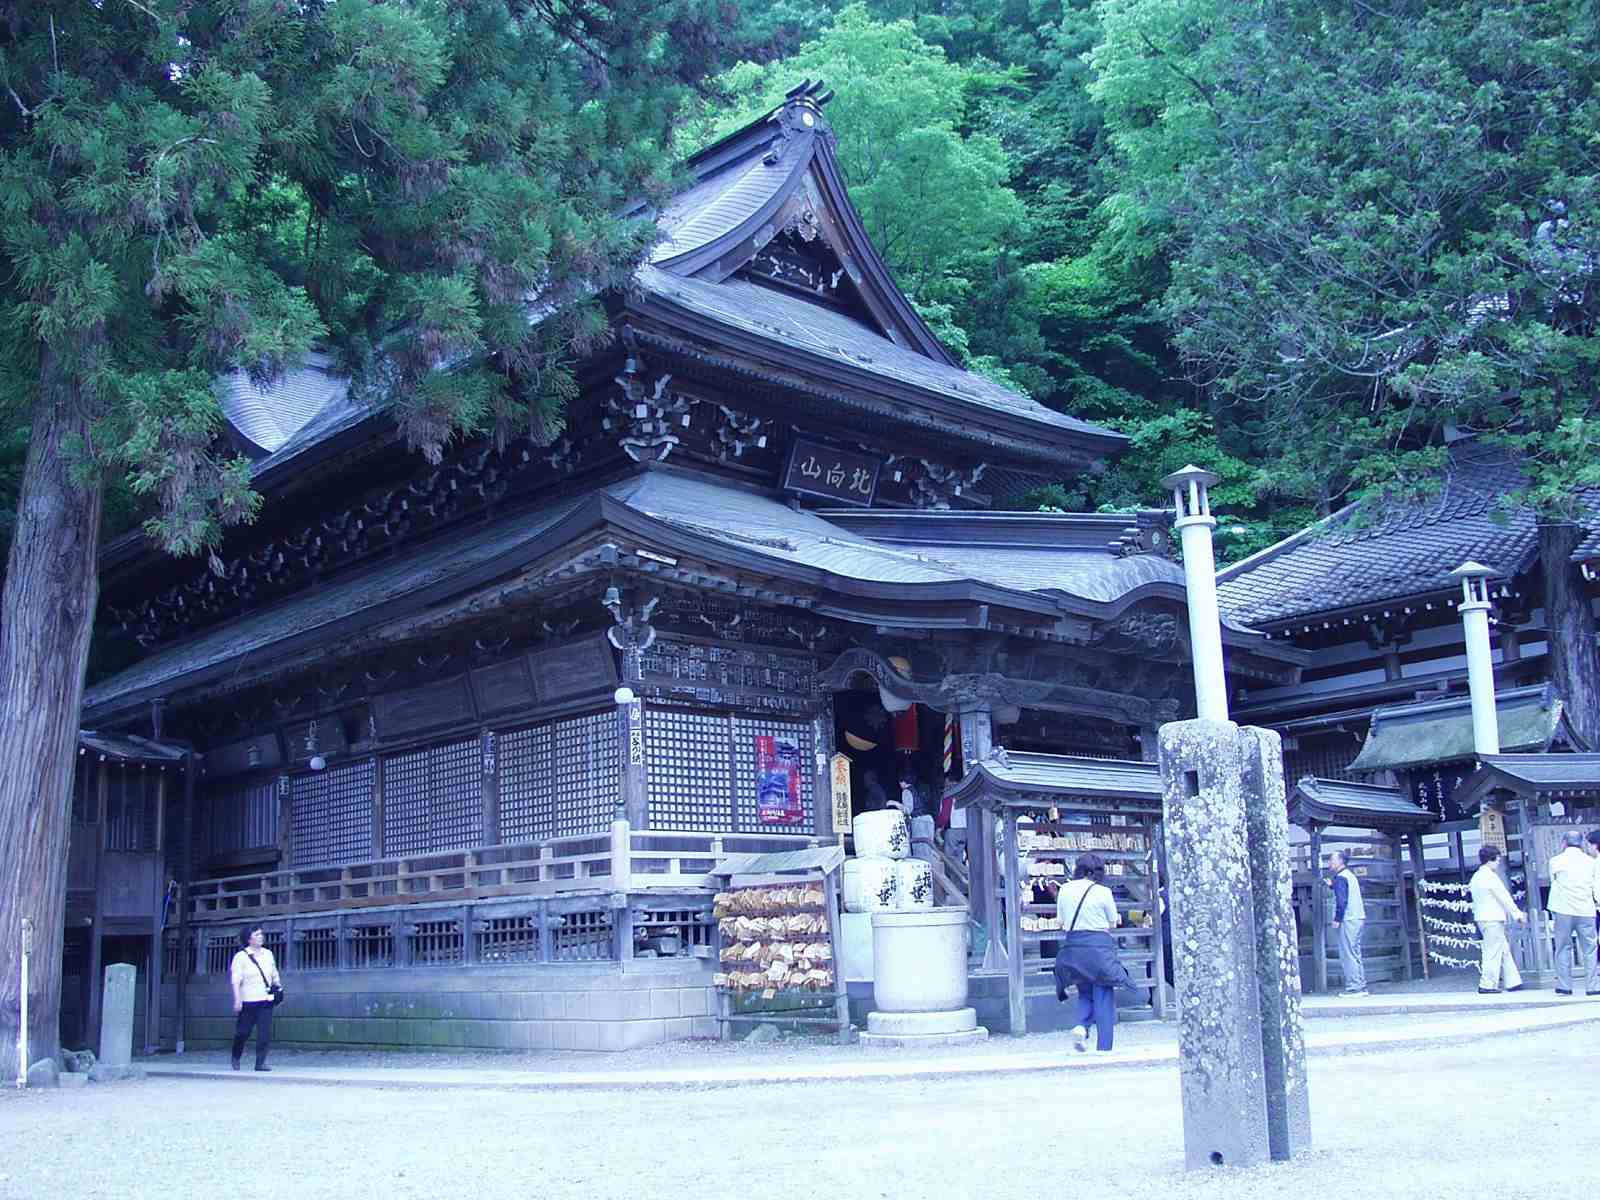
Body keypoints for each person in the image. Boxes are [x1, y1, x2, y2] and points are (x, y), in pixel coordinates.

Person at [1052, 852, 1131, 1053]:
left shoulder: (1065, 889)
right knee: (1103, 993)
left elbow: (1061, 921)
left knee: (1085, 991)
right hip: (1099, 947)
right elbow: (1112, 921)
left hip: (1074, 947)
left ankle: (1082, 1026)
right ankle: (1104, 1046)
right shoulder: (1103, 891)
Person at [1548, 830, 1599, 996]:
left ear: (1564, 843)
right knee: (1590, 948)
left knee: (1563, 947)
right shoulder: (1591, 862)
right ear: (1581, 843)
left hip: (1563, 909)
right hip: (1586, 909)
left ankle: (1564, 985)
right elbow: (1596, 887)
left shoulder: (1555, 861)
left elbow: (1553, 882)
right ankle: (1592, 986)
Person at [1468, 845, 1526, 994]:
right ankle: (1487, 984)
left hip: (1483, 917)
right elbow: (1504, 897)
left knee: (1502, 949)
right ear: (1490, 860)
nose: (1498, 862)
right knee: (1493, 951)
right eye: (1497, 860)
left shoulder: (1476, 877)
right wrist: (1517, 914)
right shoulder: (1490, 877)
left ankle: (1513, 981)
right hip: (1492, 917)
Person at [230, 925, 281, 1071]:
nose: (261, 937)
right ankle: (236, 1055)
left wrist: (278, 986)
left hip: (265, 1000)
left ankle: (260, 1062)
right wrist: (237, 999)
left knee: (264, 1033)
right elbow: (236, 980)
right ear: (249, 939)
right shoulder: (240, 957)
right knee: (243, 1032)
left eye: (261, 934)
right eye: (257, 934)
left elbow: (274, 973)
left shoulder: (268, 954)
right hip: (248, 1001)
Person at [1329, 851, 1368, 996]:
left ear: (1340, 861)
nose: (1329, 863)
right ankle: (1360, 984)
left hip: (1348, 919)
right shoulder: (1349, 876)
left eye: (1332, 860)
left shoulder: (1341, 878)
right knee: (1355, 952)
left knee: (1348, 954)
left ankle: (1354, 987)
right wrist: (1332, 886)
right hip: (1358, 917)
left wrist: (1337, 919)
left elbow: (1342, 901)